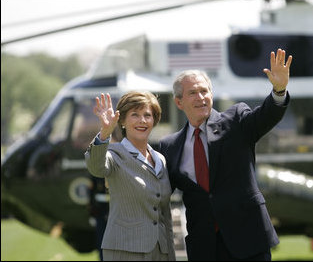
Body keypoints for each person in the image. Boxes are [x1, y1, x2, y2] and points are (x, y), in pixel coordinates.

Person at [158, 48, 292, 261]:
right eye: (193, 93)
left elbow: (267, 116)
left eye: (204, 91)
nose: (201, 97)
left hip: (248, 239)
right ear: (178, 102)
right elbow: (158, 192)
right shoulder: (169, 146)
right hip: (205, 247)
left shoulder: (236, 121)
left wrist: (278, 90)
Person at [85, 91, 176, 261]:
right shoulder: (114, 154)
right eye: (135, 115)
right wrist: (105, 133)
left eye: (147, 115)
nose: (142, 120)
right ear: (123, 121)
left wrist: (170, 254)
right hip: (126, 251)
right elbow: (96, 167)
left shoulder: (160, 159)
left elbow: (164, 214)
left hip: (161, 252)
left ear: (154, 120)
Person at [87, 176, 109, 261]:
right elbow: (91, 194)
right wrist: (92, 214)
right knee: (101, 240)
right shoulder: (95, 176)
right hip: (100, 213)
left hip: (114, 213)